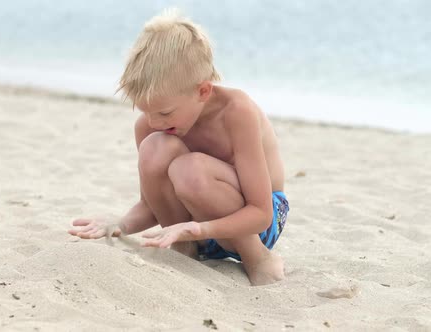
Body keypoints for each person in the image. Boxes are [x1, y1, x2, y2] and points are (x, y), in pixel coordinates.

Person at [68, 9, 289, 286]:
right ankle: (185, 251)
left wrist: (197, 227)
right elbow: (152, 204)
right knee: (154, 148)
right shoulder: (150, 126)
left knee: (190, 169)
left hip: (257, 225)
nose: (153, 121)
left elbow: (261, 213)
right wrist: (120, 224)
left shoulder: (236, 111)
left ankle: (258, 258)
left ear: (203, 91)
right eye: (146, 111)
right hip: (190, 232)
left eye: (165, 112)